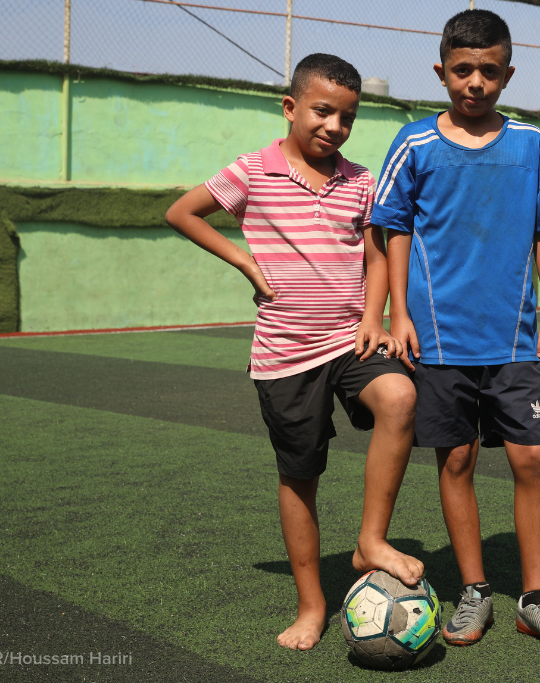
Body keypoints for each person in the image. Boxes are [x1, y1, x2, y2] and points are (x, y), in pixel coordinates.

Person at [164, 53, 421, 651]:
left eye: (348, 118)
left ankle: (371, 540)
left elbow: (377, 253)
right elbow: (182, 213)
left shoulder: (361, 181)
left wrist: (373, 315)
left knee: (401, 397)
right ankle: (311, 605)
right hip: (284, 353)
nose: (334, 127)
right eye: (323, 111)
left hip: (350, 339)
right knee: (300, 477)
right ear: (291, 107)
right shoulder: (253, 171)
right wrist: (246, 261)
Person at [370, 9, 540, 651]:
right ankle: (474, 592)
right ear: (441, 72)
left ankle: (536, 598)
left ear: (507, 73)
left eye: (488, 71)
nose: (475, 82)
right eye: (462, 70)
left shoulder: (529, 144)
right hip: (439, 339)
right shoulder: (414, 144)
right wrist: (398, 315)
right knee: (458, 458)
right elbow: (392, 228)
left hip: (515, 338)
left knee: (535, 461)